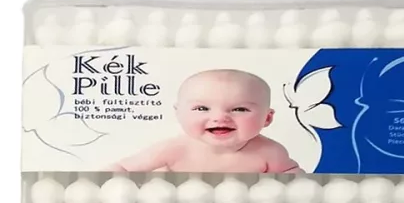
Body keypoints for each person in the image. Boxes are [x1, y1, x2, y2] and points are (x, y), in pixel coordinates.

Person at [111, 69, 303, 173]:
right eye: (202, 108)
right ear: (179, 114)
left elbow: (294, 180)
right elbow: (122, 168)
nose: (219, 117)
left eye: (239, 109)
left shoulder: (270, 152)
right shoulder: (173, 149)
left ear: (267, 118)